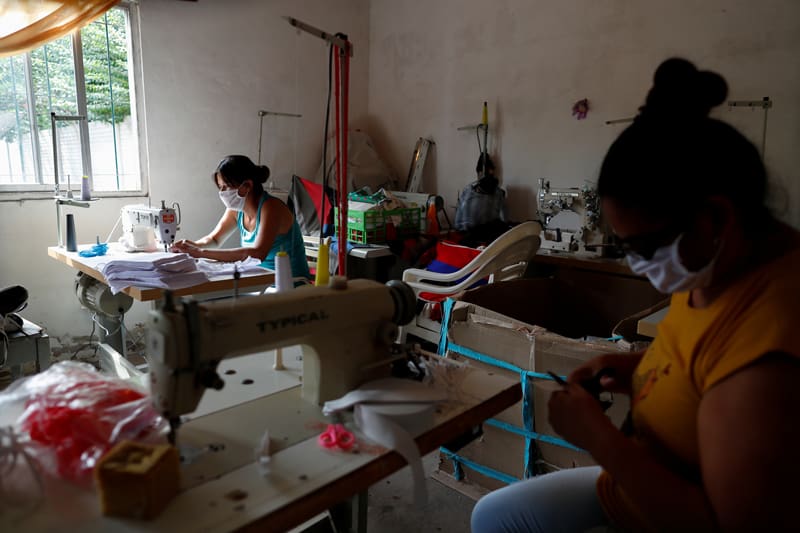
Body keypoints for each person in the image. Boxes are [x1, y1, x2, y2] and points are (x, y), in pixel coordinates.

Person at [471, 58, 800, 532]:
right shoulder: (714, 265)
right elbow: (694, 363)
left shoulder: (770, 353)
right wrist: (633, 370)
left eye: (642, 246)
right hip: (632, 485)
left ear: (716, 218)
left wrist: (600, 439)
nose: (637, 264)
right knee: (494, 517)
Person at [171, 155, 311, 281]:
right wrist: (191, 246)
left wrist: (200, 253)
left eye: (226, 187)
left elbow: (257, 254)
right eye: (220, 187)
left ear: (247, 185)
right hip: (259, 281)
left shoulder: (272, 207)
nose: (222, 193)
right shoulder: (236, 210)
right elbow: (214, 239)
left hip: (289, 284)